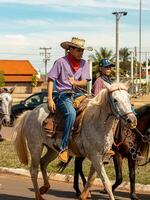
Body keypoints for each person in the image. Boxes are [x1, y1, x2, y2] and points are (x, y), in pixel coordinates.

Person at [47, 37, 92, 163]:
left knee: (96, 108)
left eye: (82, 50)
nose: (81, 52)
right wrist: (50, 99)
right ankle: (63, 146)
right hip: (63, 95)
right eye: (78, 49)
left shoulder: (84, 63)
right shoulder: (60, 62)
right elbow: (51, 80)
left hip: (79, 94)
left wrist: (75, 82)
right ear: (70, 49)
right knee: (71, 113)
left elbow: (84, 82)